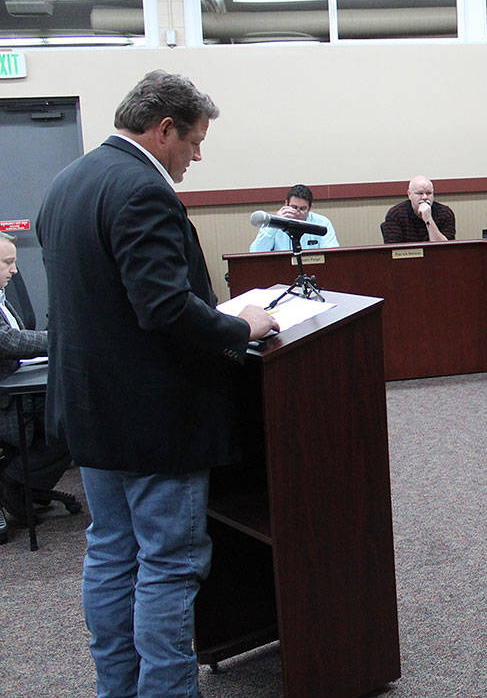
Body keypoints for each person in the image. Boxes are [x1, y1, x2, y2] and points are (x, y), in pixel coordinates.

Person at [37, 70, 278, 696]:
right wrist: (238, 327)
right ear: (164, 128)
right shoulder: (142, 189)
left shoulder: (67, 182)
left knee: (110, 555)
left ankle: (116, 688)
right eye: (195, 140)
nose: (198, 155)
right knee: (168, 567)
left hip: (92, 416)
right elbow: (165, 307)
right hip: (153, 424)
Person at [0, 233, 72, 526]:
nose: (14, 270)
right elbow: (6, 342)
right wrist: (58, 339)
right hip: (5, 401)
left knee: (74, 413)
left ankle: (27, 483)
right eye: (7, 262)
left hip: (17, 383)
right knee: (68, 423)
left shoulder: (2, 295)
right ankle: (15, 480)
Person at [248, 183, 339, 252]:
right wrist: (274, 225)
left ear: (310, 208)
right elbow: (255, 251)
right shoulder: (272, 224)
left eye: (302, 209)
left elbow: (331, 253)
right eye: (293, 207)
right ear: (286, 204)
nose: (297, 213)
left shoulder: (322, 223)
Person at [382, 175, 456, 243]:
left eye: (429, 193)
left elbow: (444, 249)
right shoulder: (395, 214)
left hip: (436, 256)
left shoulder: (445, 213)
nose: (425, 197)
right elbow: (393, 251)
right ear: (409, 195)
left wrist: (428, 219)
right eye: (420, 193)